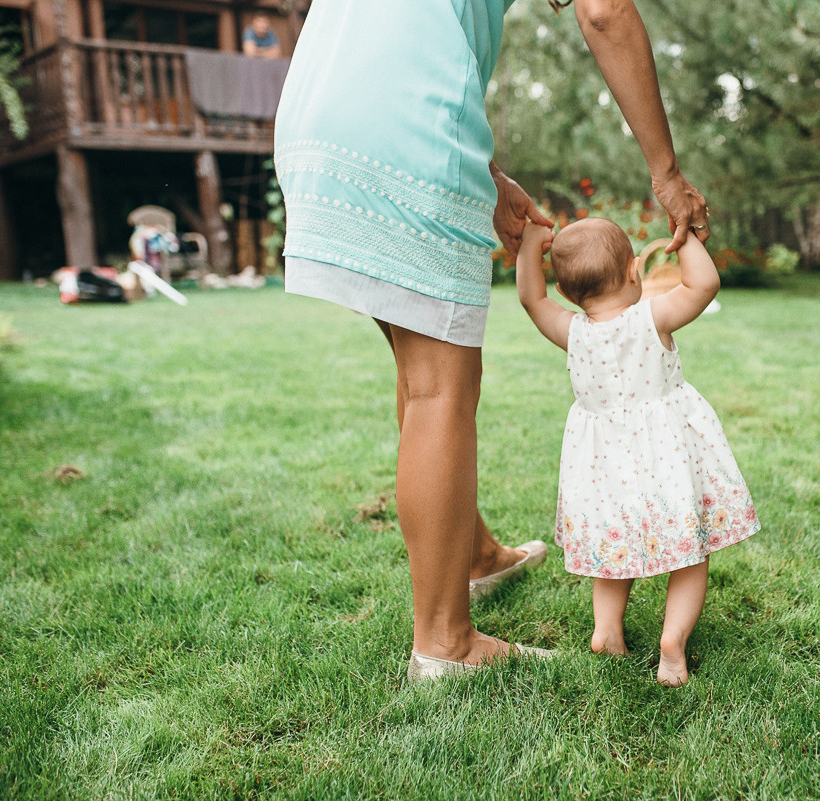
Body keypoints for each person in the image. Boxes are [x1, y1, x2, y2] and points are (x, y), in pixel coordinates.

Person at [272, 0, 711, 683]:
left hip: (317, 115)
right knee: (440, 387)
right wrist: (667, 171)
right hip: (405, 131)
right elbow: (605, 13)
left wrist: (490, 176)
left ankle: (475, 556)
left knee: (419, 370)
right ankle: (445, 641)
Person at [515, 218, 759, 685]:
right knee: (690, 552)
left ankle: (607, 630)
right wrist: (685, 237)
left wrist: (529, 246)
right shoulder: (652, 317)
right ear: (634, 272)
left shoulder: (571, 331)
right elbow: (704, 284)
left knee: (613, 550)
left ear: (566, 292)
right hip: (667, 461)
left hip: (604, 469)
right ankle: (673, 641)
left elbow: (531, 298)